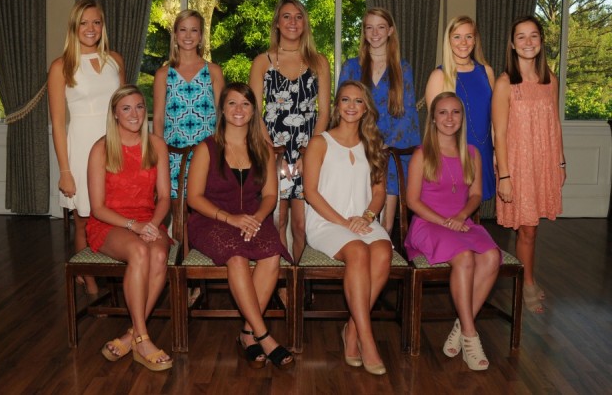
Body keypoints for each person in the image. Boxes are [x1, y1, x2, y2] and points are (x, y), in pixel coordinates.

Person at [186, 83, 295, 369]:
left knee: (273, 253)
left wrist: (258, 218)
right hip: (211, 219)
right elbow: (194, 198)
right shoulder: (206, 148)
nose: (238, 109)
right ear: (221, 109)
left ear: (253, 110)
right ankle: (263, 334)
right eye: (232, 103)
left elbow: (271, 195)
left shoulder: (263, 148)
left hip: (252, 217)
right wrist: (229, 218)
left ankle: (247, 333)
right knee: (237, 256)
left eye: (245, 104)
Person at [405, 91, 501, 371]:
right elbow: (412, 201)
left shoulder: (472, 153)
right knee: (465, 258)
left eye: (455, 112)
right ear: (433, 119)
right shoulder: (422, 155)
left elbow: (475, 195)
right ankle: (471, 337)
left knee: (492, 256)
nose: (449, 118)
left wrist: (460, 216)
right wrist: (445, 221)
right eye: (443, 113)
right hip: (428, 224)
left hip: (461, 223)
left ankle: (462, 322)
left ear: (462, 117)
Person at [304, 81, 391, 376]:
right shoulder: (320, 142)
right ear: (337, 105)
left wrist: (366, 217)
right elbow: (310, 192)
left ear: (366, 108)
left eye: (358, 101)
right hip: (326, 221)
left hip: (363, 220)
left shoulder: (373, 144)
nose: (351, 106)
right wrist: (344, 222)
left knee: (382, 250)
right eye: (345, 100)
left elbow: (378, 193)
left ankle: (352, 328)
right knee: (357, 251)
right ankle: (367, 340)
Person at [86, 85, 172, 371]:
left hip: (149, 219)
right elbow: (97, 207)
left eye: (139, 107)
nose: (134, 114)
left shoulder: (156, 144)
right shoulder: (101, 148)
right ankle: (144, 339)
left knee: (159, 255)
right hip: (110, 222)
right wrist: (135, 227)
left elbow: (164, 197)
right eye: (126, 108)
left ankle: (131, 336)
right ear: (115, 114)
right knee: (139, 251)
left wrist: (154, 225)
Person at [48, 0, 125, 295]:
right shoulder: (61, 66)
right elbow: (57, 123)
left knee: (115, 212)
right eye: (84, 23)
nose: (91, 29)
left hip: (112, 145)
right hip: (80, 145)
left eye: (96, 22)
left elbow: (124, 108)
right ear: (74, 27)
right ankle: (88, 277)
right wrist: (65, 170)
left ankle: (114, 269)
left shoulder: (115, 60)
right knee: (83, 218)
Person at [249, 0, 331, 263]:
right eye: (286, 16)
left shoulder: (319, 62)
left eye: (298, 17)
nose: (292, 22)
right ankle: (281, 283)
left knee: (301, 225)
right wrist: (271, 151)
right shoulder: (263, 62)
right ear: (277, 23)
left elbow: (324, 113)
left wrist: (310, 155)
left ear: (305, 24)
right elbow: (254, 112)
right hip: (273, 148)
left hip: (309, 149)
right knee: (278, 220)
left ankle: (301, 287)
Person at [492, 16, 565, 314]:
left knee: (533, 228)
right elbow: (499, 132)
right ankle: (528, 283)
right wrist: (505, 175)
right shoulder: (505, 82)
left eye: (533, 36)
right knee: (527, 230)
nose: (527, 42)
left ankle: (527, 278)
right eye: (520, 37)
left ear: (541, 41)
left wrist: (560, 161)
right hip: (517, 166)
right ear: (512, 44)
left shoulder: (551, 79)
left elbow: (555, 124)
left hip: (544, 162)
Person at [338, 7, 420, 233]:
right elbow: (342, 110)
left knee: (384, 223)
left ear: (390, 31)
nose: (375, 33)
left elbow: (408, 113)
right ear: (364, 33)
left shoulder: (403, 69)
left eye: (381, 27)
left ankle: (385, 244)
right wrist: (362, 143)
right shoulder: (351, 67)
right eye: (369, 28)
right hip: (356, 145)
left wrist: (385, 146)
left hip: (390, 150)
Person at [153, 9, 224, 205]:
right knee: (179, 214)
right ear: (175, 35)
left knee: (206, 212)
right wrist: (159, 156)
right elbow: (158, 118)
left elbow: (222, 115)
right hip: (173, 154)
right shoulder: (163, 74)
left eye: (194, 30)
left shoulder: (214, 71)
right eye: (183, 30)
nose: (188, 35)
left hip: (207, 154)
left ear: (201, 36)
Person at [425, 15, 496, 208]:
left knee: (475, 208)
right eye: (457, 36)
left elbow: (495, 119)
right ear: (448, 40)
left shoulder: (486, 72)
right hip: (452, 155)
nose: (463, 42)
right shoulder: (439, 76)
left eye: (469, 36)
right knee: (451, 208)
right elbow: (434, 125)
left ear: (475, 40)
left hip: (483, 151)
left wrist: (497, 153)